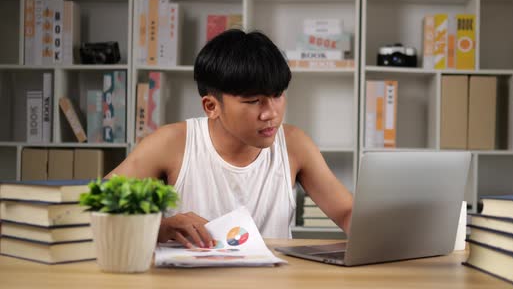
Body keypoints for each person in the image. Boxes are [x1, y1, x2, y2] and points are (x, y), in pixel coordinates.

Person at [106, 29, 353, 249]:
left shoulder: (295, 144)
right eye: (254, 101)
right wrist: (159, 227)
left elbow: (346, 212)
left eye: (277, 95)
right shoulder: (170, 143)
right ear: (211, 106)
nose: (271, 113)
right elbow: (95, 204)